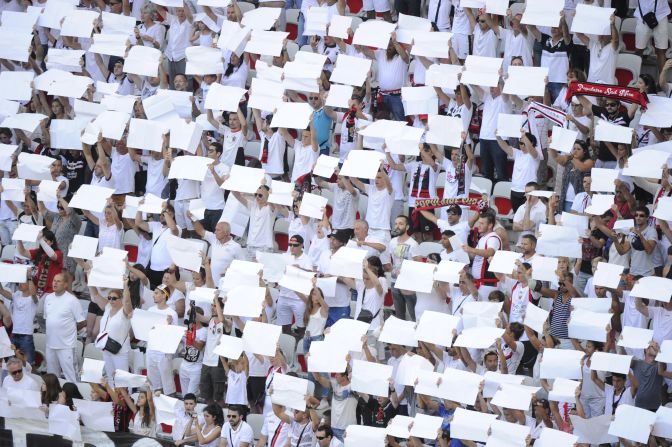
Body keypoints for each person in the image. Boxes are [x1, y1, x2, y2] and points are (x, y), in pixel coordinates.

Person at [89, 280, 133, 388]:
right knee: (110, 377)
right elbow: (95, 295)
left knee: (122, 379)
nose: (111, 300)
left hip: (120, 351)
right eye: (109, 298)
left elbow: (127, 302)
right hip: (106, 347)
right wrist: (90, 277)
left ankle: (125, 402)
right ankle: (113, 401)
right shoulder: (108, 307)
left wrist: (125, 286)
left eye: (114, 298)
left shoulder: (125, 311)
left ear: (121, 299)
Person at [43, 273, 85, 382]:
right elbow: (48, 319)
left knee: (71, 376)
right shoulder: (48, 298)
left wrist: (69, 331)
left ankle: (74, 396)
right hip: (50, 344)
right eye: (54, 280)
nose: (55, 283)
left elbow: (82, 321)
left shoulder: (72, 300)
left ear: (65, 284)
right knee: (52, 376)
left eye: (58, 281)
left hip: (66, 345)